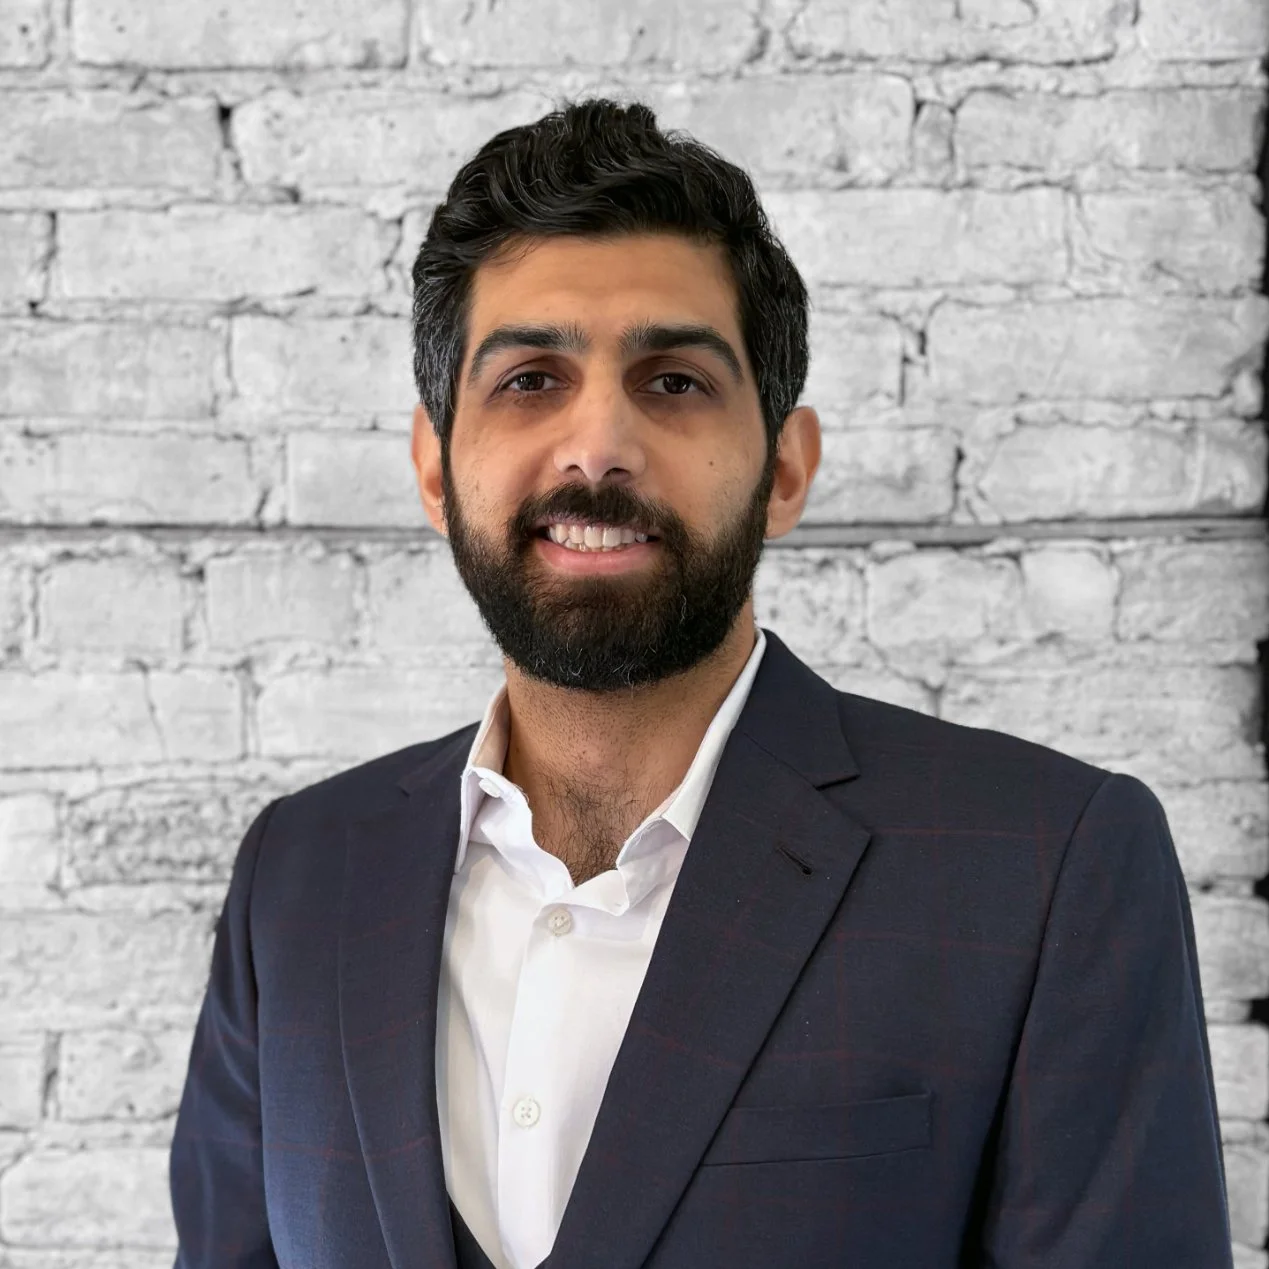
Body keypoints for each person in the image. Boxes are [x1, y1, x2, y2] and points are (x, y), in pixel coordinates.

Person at [169, 97, 1234, 1268]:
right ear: (435, 466)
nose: (598, 447)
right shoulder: (301, 877)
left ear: (784, 467)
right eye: (529, 379)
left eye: (674, 381)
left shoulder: (1047, 867)